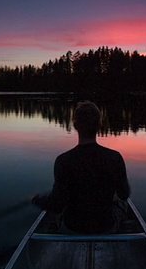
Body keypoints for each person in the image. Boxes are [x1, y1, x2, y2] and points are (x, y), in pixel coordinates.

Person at [31, 100, 131, 234]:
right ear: (99, 125)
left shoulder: (63, 160)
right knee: (121, 203)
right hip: (106, 226)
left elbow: (57, 205)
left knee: (58, 209)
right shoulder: (115, 157)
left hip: (72, 227)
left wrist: (38, 200)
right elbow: (124, 194)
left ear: (75, 125)